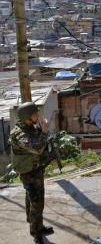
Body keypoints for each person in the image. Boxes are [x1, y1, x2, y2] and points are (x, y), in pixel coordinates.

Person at [9, 102, 54, 244]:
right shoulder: (19, 134)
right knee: (36, 202)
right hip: (29, 173)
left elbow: (39, 141)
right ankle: (37, 233)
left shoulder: (30, 127)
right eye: (35, 114)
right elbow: (37, 148)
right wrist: (45, 131)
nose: (38, 116)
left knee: (34, 200)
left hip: (36, 169)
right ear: (28, 117)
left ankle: (36, 227)